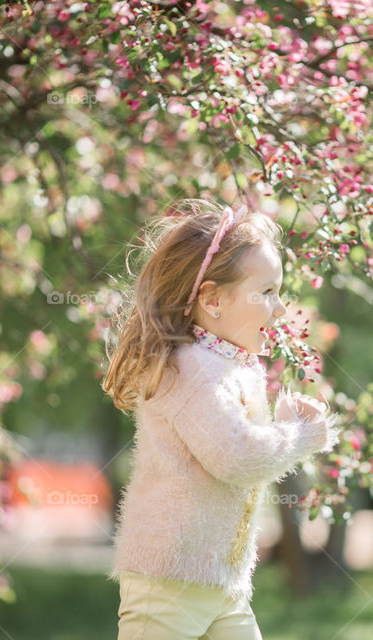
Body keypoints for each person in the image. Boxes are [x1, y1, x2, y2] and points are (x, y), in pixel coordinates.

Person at [101, 198, 341, 639]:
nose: (282, 309)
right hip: (170, 580)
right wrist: (301, 434)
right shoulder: (190, 369)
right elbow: (236, 457)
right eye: (267, 292)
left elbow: (238, 443)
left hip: (219, 581)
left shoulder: (225, 364)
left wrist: (282, 426)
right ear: (212, 298)